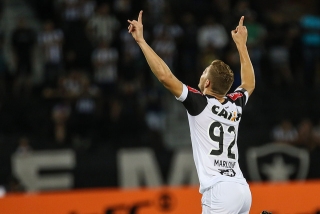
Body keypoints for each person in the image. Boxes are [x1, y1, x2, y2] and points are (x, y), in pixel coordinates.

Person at [128, 11, 255, 214]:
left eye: (204, 72)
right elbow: (249, 83)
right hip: (241, 189)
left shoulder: (200, 103)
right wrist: (242, 45)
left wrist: (142, 41)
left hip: (219, 189)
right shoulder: (235, 104)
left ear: (208, 83)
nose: (201, 73)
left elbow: (165, 76)